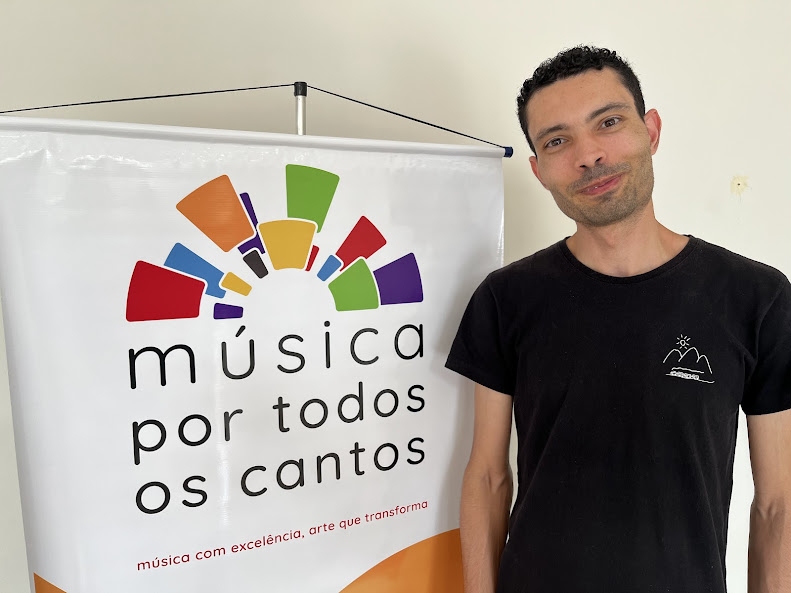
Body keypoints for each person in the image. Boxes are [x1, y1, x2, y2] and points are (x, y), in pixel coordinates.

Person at [445, 46, 791, 593]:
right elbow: (488, 477)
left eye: (608, 122)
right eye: (557, 141)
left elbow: (777, 504)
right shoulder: (505, 298)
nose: (588, 155)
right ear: (538, 170)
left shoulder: (757, 297)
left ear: (651, 131)